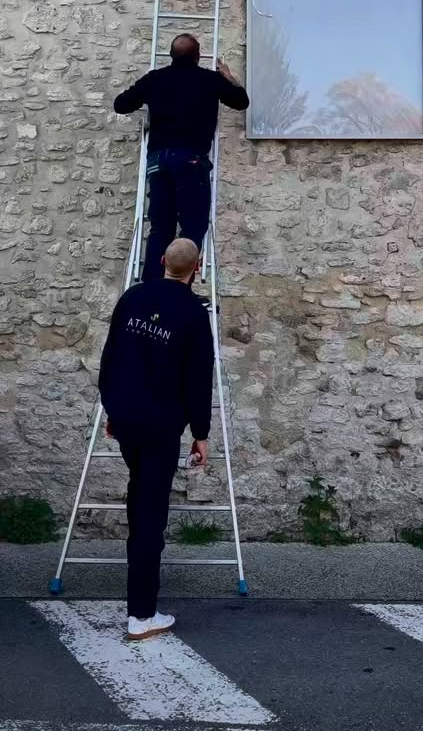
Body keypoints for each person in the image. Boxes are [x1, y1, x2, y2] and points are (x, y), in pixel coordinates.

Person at [98, 238, 214, 640]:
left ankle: (141, 603)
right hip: (161, 425)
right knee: (150, 515)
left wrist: (113, 410)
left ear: (162, 261)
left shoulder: (132, 298)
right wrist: (201, 434)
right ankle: (142, 615)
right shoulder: (194, 314)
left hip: (128, 419)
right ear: (197, 269)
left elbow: (110, 358)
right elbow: (199, 379)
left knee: (140, 501)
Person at [114, 33, 249, 281]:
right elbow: (241, 102)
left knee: (160, 229)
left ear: (171, 55)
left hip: (159, 163)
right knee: (192, 230)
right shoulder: (209, 80)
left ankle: (152, 291)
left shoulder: (155, 79)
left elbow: (120, 104)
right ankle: (178, 292)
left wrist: (148, 94)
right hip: (190, 161)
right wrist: (229, 78)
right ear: (197, 56)